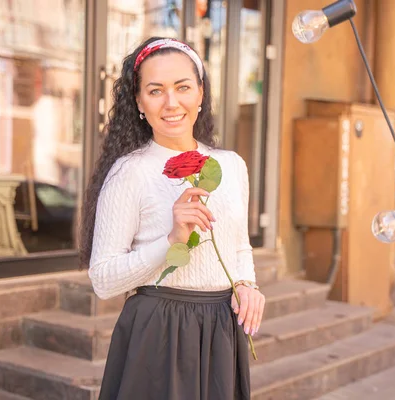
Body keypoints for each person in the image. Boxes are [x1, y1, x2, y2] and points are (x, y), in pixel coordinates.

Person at [79, 37, 265, 400]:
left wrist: (246, 285)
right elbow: (102, 280)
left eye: (182, 87)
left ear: (200, 93)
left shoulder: (230, 165)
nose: (171, 102)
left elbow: (239, 247)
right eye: (155, 90)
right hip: (158, 332)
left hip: (221, 331)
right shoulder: (129, 173)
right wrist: (171, 242)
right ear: (138, 102)